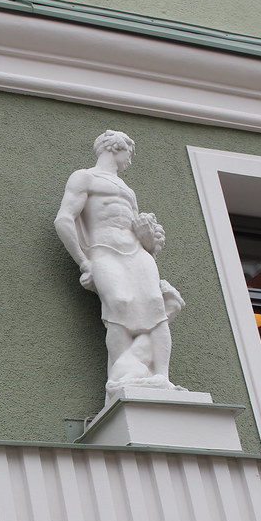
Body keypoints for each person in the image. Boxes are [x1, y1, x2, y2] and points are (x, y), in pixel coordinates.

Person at [54, 130, 185, 397]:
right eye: (130, 153)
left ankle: (161, 377)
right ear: (116, 147)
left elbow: (140, 233)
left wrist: (150, 238)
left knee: (156, 305)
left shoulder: (128, 190)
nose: (130, 160)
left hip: (137, 254)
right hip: (104, 252)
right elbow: (64, 219)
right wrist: (84, 262)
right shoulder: (85, 177)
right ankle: (122, 379)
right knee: (119, 305)